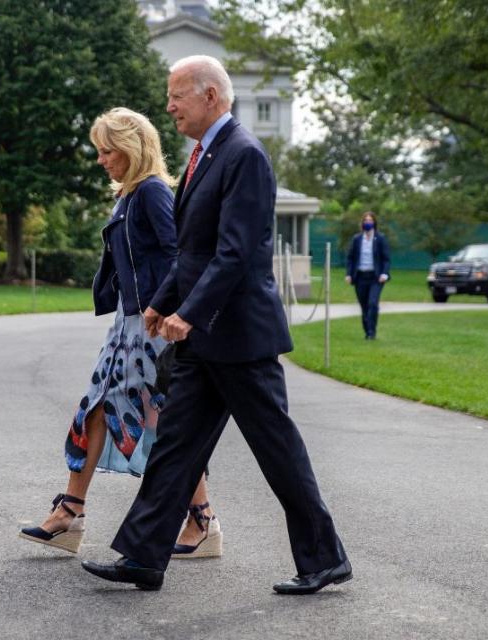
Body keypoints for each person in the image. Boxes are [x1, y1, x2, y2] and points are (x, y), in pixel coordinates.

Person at [81, 56, 350, 594]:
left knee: (277, 448)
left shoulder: (244, 155)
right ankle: (142, 557)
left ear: (211, 96)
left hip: (240, 336)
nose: (169, 105)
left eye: (178, 94)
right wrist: (161, 304)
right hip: (206, 340)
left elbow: (234, 253)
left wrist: (188, 314)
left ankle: (324, 558)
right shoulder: (204, 156)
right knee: (177, 445)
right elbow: (192, 253)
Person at [20, 108, 222, 559]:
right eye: (99, 150)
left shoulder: (151, 192)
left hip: (152, 328)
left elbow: (179, 257)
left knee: (166, 425)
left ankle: (201, 520)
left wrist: (170, 317)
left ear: (131, 150)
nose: (100, 159)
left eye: (107, 150)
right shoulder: (129, 195)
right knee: (100, 411)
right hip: (127, 326)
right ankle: (71, 512)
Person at [344, 211, 391, 340]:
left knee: (373, 303)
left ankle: (372, 332)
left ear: (374, 223)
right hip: (360, 277)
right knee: (364, 305)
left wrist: (384, 273)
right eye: (366, 220)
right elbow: (351, 258)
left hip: (375, 278)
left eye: (370, 220)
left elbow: (386, 259)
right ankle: (367, 330)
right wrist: (349, 274)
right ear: (362, 223)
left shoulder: (380, 238)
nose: (368, 223)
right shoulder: (357, 239)